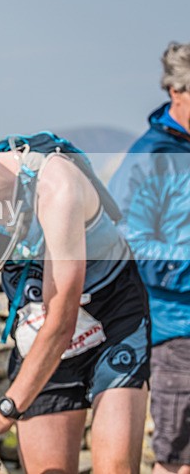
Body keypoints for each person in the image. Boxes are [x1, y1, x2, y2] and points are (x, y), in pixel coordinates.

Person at [0, 121, 151, 473]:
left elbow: (63, 318)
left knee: (115, 467)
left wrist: (7, 410)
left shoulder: (55, 186)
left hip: (110, 316)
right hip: (39, 329)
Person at [109, 41, 190, 474]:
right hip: (177, 330)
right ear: (176, 91)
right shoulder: (150, 157)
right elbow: (132, 245)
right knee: (177, 460)